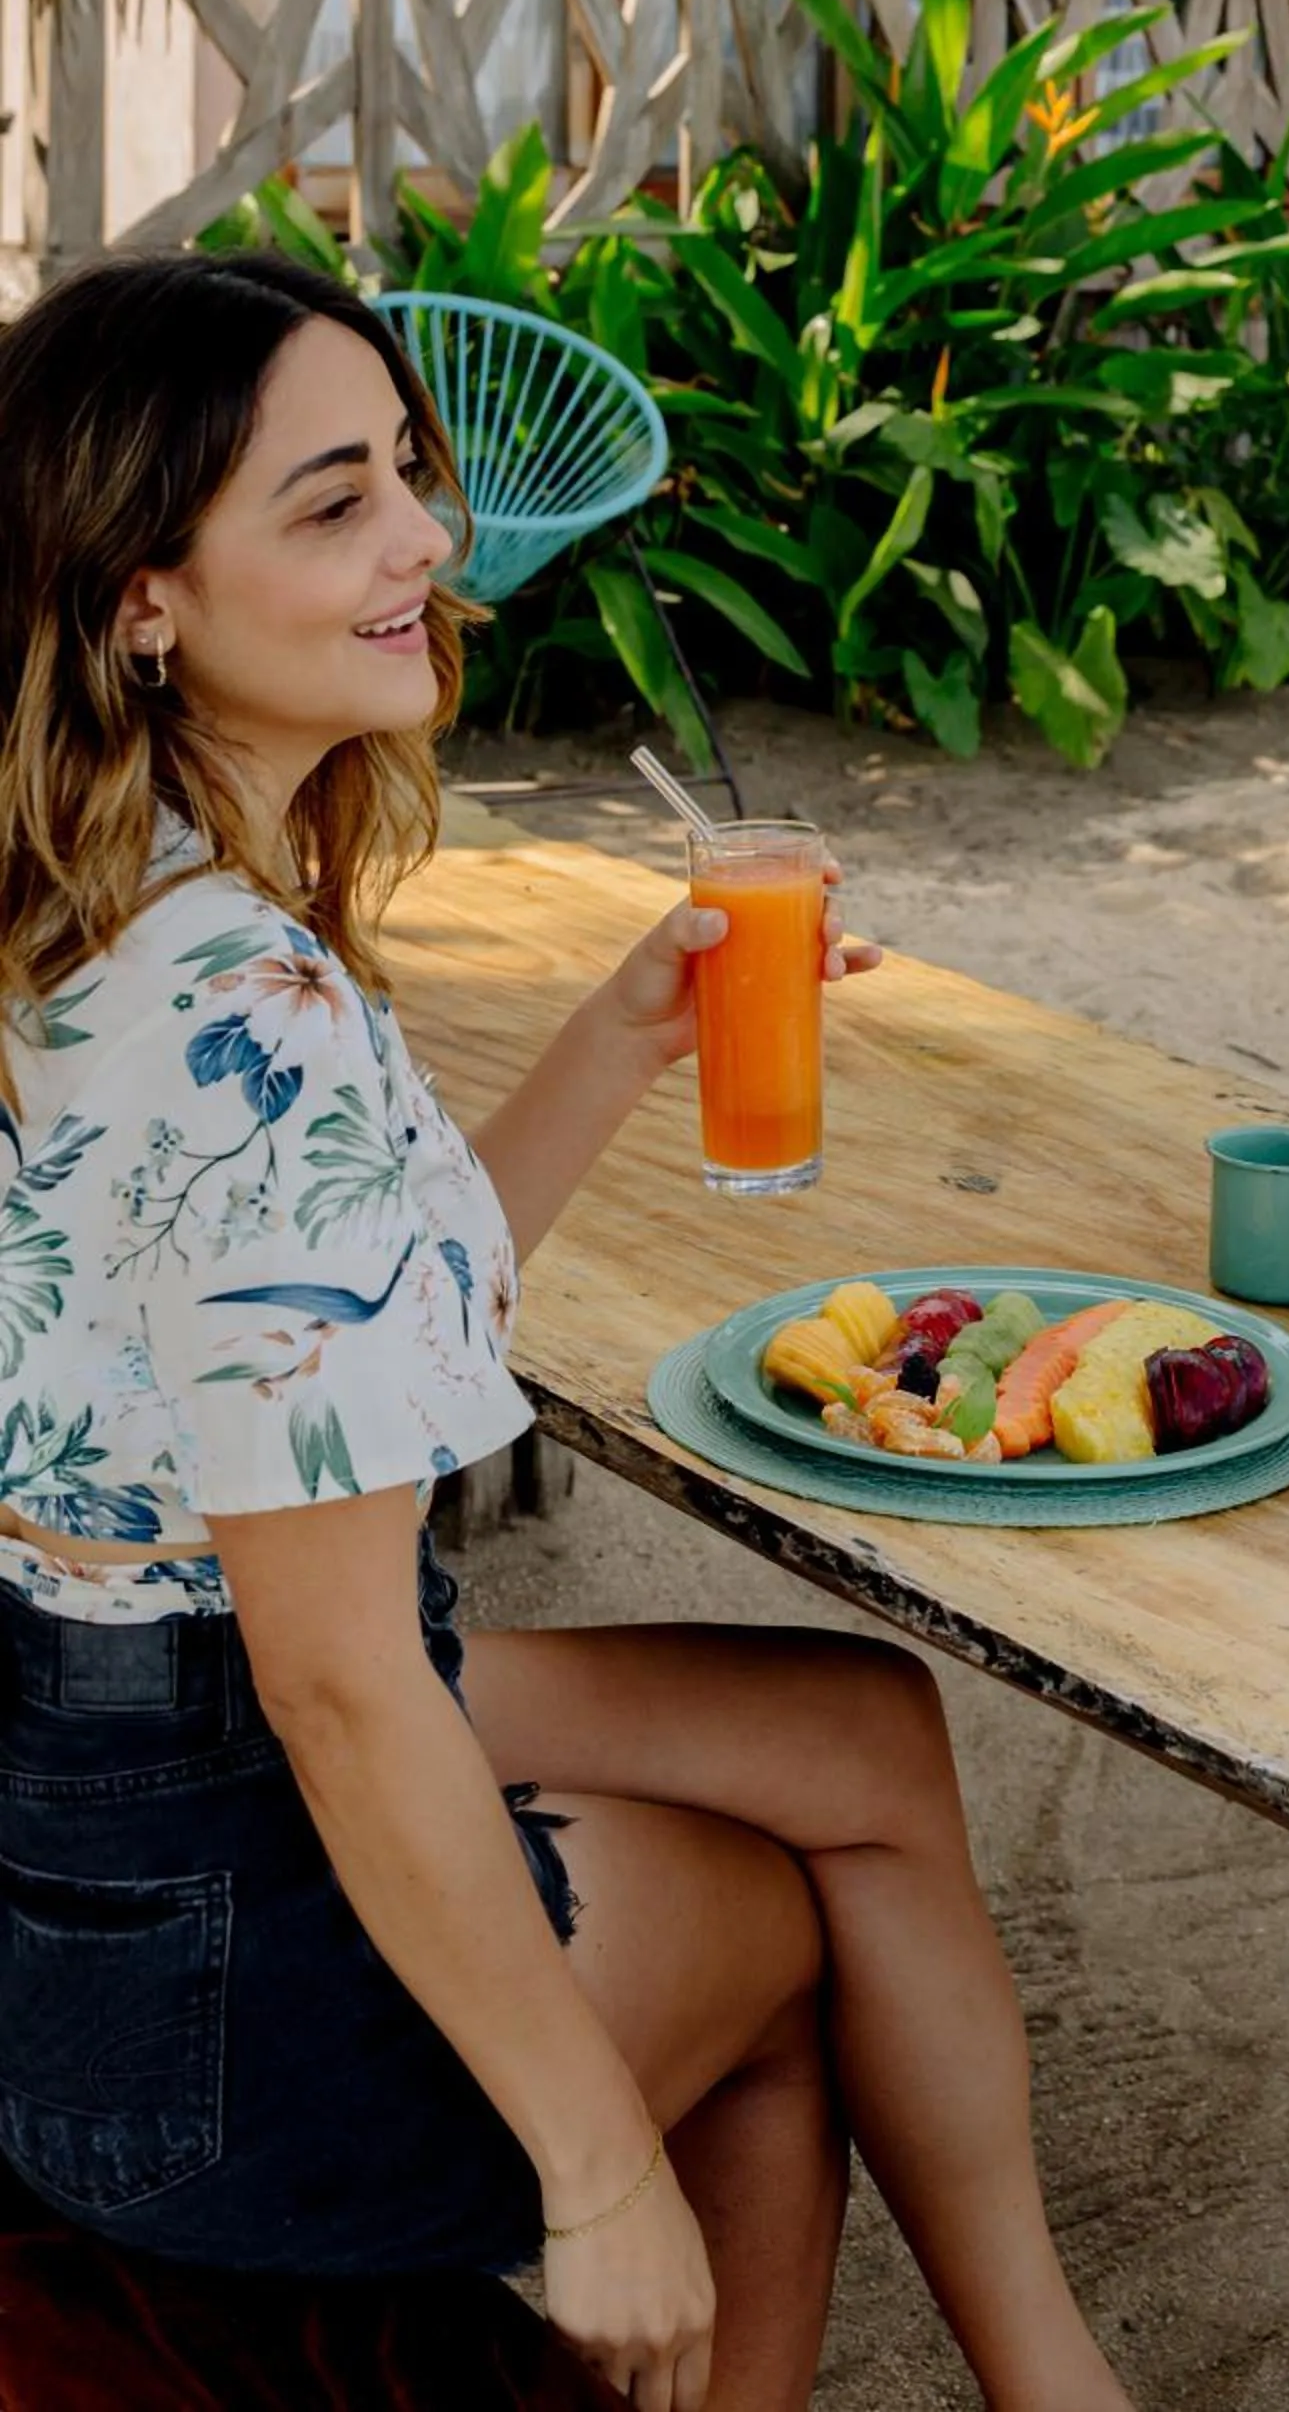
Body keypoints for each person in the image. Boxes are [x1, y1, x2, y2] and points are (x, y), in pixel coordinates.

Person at [0, 254, 1137, 2412]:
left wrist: (621, 1035)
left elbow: (344, 1342)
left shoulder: (105, 897)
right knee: (777, 1941)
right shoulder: (257, 1016)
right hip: (212, 1927)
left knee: (859, 1729)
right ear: (144, 598)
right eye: (335, 503)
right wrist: (600, 2169)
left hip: (95, 1749)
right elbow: (340, 1684)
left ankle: (1050, 2383)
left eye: (404, 473)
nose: (426, 538)